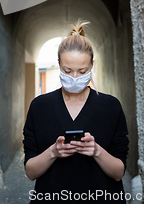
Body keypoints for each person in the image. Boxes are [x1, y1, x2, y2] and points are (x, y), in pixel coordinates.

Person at [23, 20, 129, 203]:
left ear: (92, 65)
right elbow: (31, 172)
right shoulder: (40, 107)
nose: (74, 78)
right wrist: (53, 152)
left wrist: (96, 151)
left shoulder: (111, 107)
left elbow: (119, 172)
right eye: (67, 70)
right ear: (59, 64)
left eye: (82, 71)